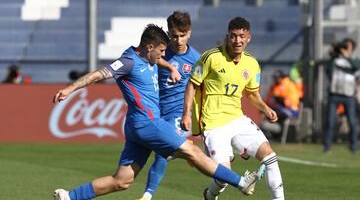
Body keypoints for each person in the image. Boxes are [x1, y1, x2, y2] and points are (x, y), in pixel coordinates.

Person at [53, 24, 261, 200]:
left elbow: (160, 61)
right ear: (149, 47)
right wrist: (70, 89)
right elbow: (99, 74)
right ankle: (242, 182)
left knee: (121, 181)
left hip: (136, 128)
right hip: (148, 123)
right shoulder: (128, 62)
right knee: (192, 151)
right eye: (161, 51)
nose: (164, 56)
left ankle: (69, 197)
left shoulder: (147, 57)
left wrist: (171, 68)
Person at [181, 17, 284, 200]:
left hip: (237, 119)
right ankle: (210, 196)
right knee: (223, 176)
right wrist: (186, 114)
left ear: (249, 38)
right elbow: (192, 85)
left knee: (270, 158)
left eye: (241, 36)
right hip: (212, 123)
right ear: (228, 37)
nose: (237, 41)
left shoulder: (252, 64)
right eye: (234, 36)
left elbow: (252, 94)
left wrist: (266, 109)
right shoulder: (211, 57)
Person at [136, 11, 200, 200]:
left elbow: (198, 87)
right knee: (152, 149)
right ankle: (188, 152)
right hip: (155, 110)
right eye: (173, 35)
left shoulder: (196, 59)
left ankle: (147, 196)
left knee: (162, 152)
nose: (178, 40)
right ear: (168, 33)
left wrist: (189, 114)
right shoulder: (160, 51)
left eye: (182, 35)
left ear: (189, 33)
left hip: (176, 112)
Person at [324, 38, 360, 153]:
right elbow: (328, 70)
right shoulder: (335, 60)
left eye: (348, 47)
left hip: (349, 95)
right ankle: (327, 147)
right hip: (334, 94)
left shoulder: (354, 60)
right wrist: (335, 54)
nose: (345, 49)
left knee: (352, 122)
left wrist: (347, 56)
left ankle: (353, 147)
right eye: (344, 47)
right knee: (330, 121)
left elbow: (356, 67)